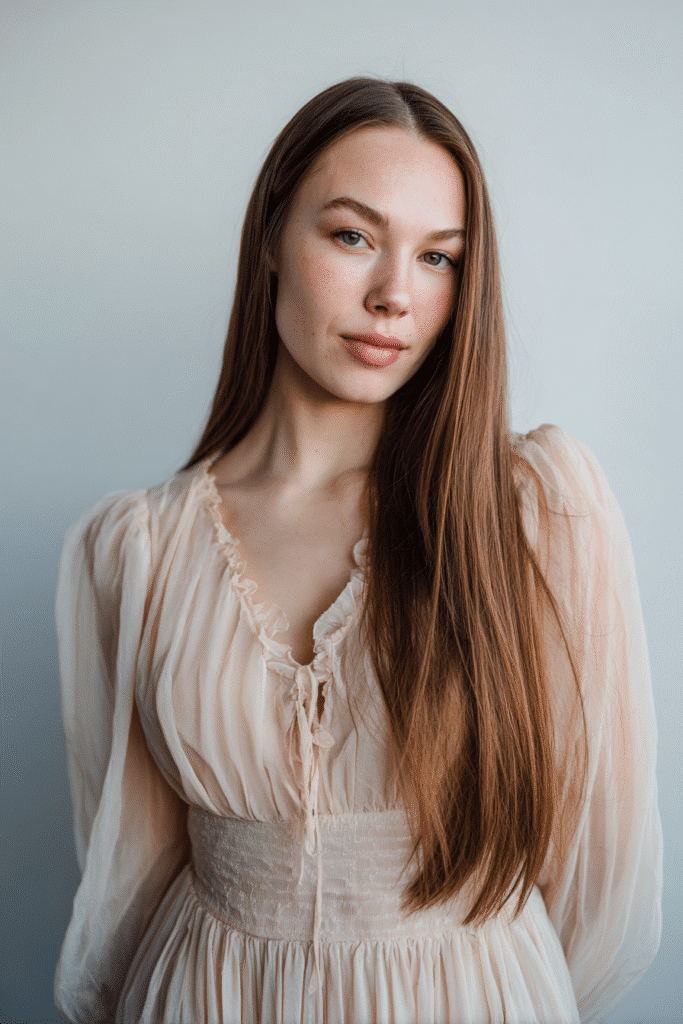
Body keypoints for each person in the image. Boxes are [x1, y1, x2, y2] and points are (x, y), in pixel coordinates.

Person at [53, 77, 662, 1024]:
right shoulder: (135, 550)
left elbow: (595, 884)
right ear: (269, 239)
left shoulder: (532, 511)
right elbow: (125, 882)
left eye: (437, 257)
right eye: (352, 236)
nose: (393, 296)